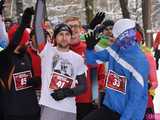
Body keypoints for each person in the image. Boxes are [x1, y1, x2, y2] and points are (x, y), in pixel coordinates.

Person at [83, 19, 149, 120]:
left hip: (128, 114)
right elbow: (92, 61)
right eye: (115, 37)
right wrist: (90, 48)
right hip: (109, 107)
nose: (114, 39)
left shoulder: (139, 61)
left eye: (117, 37)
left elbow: (136, 99)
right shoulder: (115, 48)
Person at [39, 23, 86, 120]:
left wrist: (67, 92)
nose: (64, 38)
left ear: (70, 37)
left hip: (70, 109)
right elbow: (38, 28)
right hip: (50, 106)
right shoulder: (47, 51)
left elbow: (83, 86)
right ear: (55, 37)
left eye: (67, 34)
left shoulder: (78, 59)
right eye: (60, 34)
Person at [0, 7, 40, 120]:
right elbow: (12, 44)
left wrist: (36, 81)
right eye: (26, 40)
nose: (28, 43)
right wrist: (24, 23)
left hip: (33, 111)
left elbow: (29, 78)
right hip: (14, 113)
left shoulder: (26, 55)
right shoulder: (4, 58)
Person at [65, 17, 106, 120]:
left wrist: (93, 90)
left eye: (75, 26)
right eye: (69, 27)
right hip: (65, 102)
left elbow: (102, 77)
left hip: (88, 103)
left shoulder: (91, 49)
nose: (73, 29)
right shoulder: (58, 51)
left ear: (81, 30)